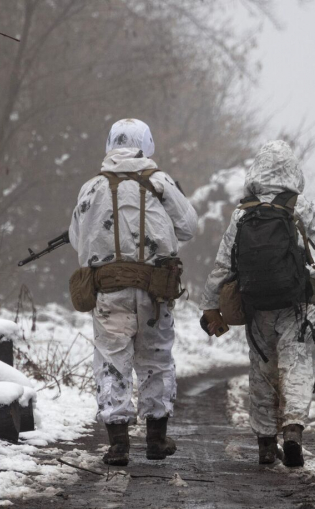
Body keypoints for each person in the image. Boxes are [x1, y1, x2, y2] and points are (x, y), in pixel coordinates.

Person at [199, 140, 315, 467]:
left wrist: (210, 307)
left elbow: (222, 266)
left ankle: (266, 444)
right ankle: (293, 430)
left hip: (255, 304)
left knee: (262, 369)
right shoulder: (299, 206)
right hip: (296, 303)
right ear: (292, 171)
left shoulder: (242, 212)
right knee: (295, 362)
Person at [68, 118, 198, 466]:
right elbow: (188, 228)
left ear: (110, 143)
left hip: (109, 292)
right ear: (147, 144)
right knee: (156, 361)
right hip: (155, 292)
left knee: (112, 362)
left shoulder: (91, 188)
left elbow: (75, 239)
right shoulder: (161, 183)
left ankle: (118, 445)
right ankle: (156, 440)